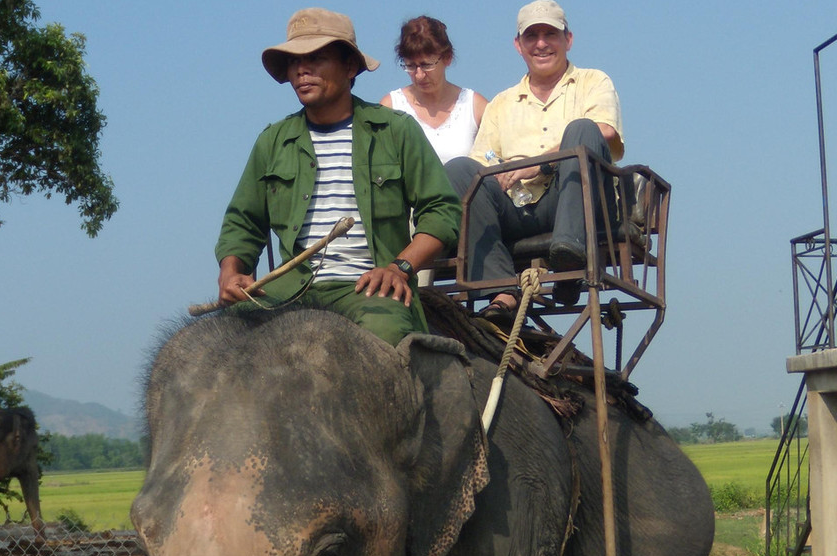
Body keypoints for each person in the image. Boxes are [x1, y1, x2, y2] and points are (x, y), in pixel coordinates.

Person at [214, 8, 461, 346]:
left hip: (370, 289)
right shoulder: (273, 142)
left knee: (384, 340)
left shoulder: (395, 130)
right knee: (222, 339)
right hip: (290, 290)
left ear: (349, 67)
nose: (302, 70)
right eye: (294, 61)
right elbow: (242, 222)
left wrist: (399, 268)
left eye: (317, 58)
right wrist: (231, 272)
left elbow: (442, 211)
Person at [445, 0, 623, 311]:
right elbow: (483, 164)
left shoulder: (593, 81)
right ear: (519, 45)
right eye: (532, 36)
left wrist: (535, 164)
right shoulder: (502, 103)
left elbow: (604, 131)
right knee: (461, 170)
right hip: (521, 206)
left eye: (550, 34)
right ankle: (500, 291)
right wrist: (500, 174)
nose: (541, 44)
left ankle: (569, 254)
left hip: (581, 200)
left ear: (568, 39)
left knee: (581, 130)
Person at [379, 16, 489, 164]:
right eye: (411, 66)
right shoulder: (390, 107)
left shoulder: (475, 107)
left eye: (426, 65)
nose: (419, 75)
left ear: (447, 58)